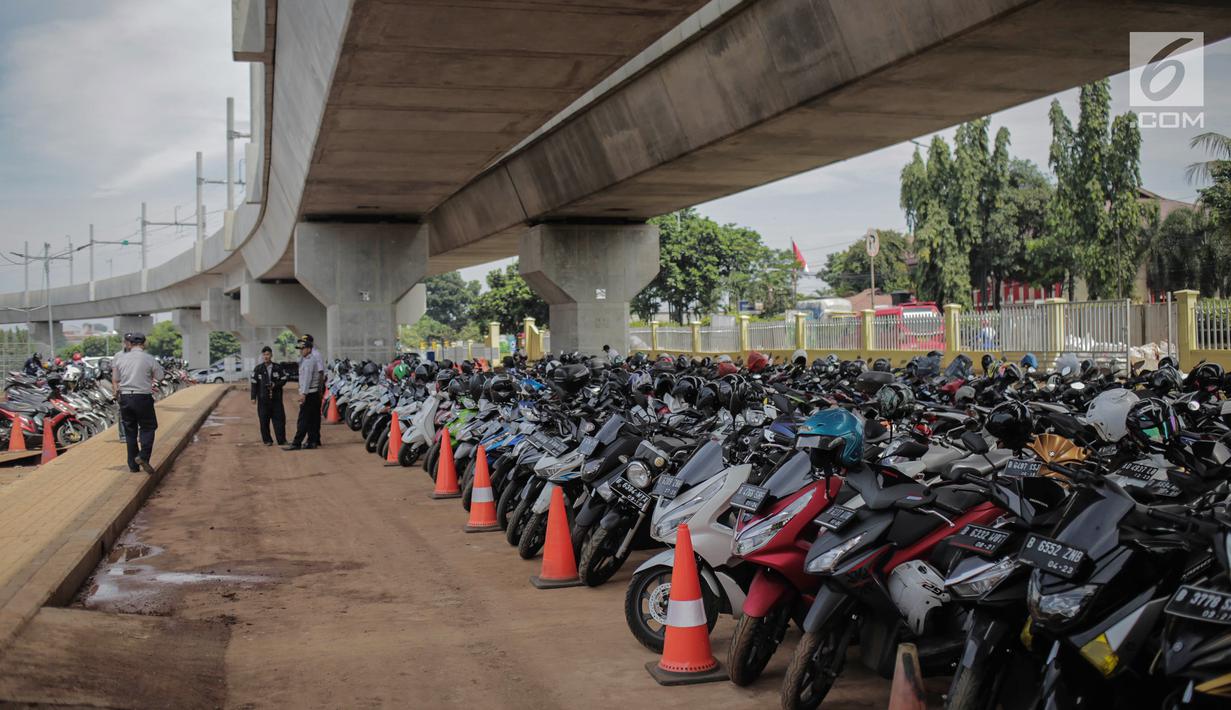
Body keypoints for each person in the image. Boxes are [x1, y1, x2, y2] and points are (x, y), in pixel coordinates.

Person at [110, 332, 164, 473]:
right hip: (142, 397)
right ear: (144, 344)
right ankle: (143, 456)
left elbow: (116, 378)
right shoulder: (149, 359)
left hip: (126, 397)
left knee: (130, 431)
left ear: (129, 344)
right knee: (148, 427)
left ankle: (133, 466)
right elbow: (160, 376)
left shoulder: (120, 359)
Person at [284, 334, 324, 451]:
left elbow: (307, 379)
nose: (301, 351)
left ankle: (297, 443)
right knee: (312, 418)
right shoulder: (307, 359)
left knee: (303, 419)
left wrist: (303, 394)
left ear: (309, 348)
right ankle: (312, 441)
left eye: (302, 348)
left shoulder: (310, 360)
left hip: (310, 393)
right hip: (312, 392)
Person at [250, 345, 287, 446]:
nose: (266, 356)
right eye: (264, 355)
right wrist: (253, 397)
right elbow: (254, 383)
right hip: (263, 400)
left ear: (271, 355)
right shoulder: (258, 369)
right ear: (262, 356)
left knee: (279, 420)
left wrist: (275, 385)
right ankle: (267, 440)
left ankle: (281, 440)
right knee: (264, 421)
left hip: (276, 399)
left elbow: (284, 379)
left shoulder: (278, 367)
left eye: (268, 354)